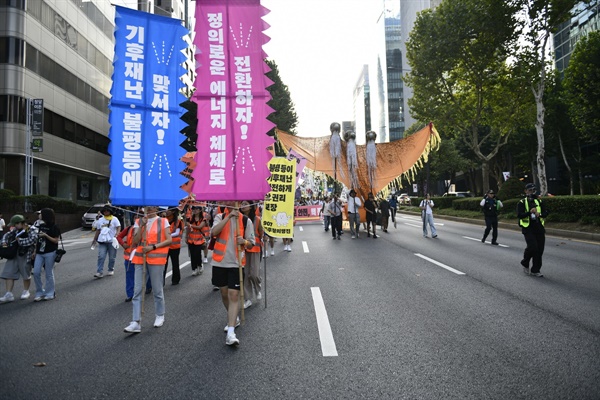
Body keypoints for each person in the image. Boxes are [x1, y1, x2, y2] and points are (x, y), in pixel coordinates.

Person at [211, 202, 255, 346]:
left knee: (233, 295)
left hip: (236, 263)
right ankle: (233, 318)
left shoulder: (245, 220)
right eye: (227, 199)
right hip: (219, 262)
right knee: (224, 294)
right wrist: (229, 216)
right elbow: (214, 232)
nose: (230, 201)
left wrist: (245, 241)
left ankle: (231, 331)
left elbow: (252, 242)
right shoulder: (220, 216)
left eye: (234, 199)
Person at [124, 206, 172, 333]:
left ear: (156, 207)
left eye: (152, 207)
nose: (149, 209)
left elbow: (169, 240)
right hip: (140, 259)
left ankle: (160, 315)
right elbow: (134, 241)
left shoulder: (163, 221)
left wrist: (153, 247)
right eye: (147, 207)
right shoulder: (139, 221)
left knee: (157, 289)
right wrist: (141, 226)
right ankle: (136, 321)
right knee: (137, 290)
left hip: (156, 259)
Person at [0, 215, 36, 303]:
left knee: (25, 273)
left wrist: (19, 240)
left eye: (15, 224)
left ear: (21, 223)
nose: (14, 226)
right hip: (14, 254)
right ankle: (9, 294)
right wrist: (4, 243)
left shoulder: (32, 229)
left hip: (26, 254)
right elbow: (6, 235)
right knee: (9, 272)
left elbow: (32, 240)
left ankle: (26, 291)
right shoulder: (16, 230)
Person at [517, 183, 549, 277]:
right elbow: (519, 215)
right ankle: (525, 262)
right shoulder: (522, 202)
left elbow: (546, 212)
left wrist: (540, 214)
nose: (532, 192)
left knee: (539, 249)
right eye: (530, 190)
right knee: (532, 247)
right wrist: (529, 212)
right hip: (528, 228)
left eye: (533, 190)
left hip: (539, 227)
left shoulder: (539, 201)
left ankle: (536, 269)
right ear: (525, 191)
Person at [32, 208, 61, 301]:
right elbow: (37, 239)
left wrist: (46, 235)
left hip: (50, 252)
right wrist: (34, 251)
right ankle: (39, 292)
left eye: (41, 214)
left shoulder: (54, 227)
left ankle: (50, 293)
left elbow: (56, 240)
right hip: (39, 252)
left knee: (49, 273)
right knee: (36, 272)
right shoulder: (40, 225)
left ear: (46, 215)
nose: (39, 215)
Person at [241, 201, 263, 308]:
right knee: (245, 274)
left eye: (245, 203)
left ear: (251, 206)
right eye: (242, 203)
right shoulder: (239, 219)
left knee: (254, 274)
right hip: (242, 250)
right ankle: (248, 298)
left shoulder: (257, 220)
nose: (243, 205)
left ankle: (257, 289)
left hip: (255, 249)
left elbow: (261, 233)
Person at [91, 206, 121, 278]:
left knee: (112, 257)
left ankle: (110, 269)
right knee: (101, 256)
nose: (106, 212)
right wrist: (94, 239)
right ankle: (99, 272)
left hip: (112, 241)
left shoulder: (114, 219)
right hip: (102, 241)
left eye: (107, 211)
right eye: (104, 211)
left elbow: (118, 227)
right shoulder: (100, 220)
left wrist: (117, 233)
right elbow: (98, 230)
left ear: (110, 211)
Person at [186, 206, 208, 276]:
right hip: (191, 239)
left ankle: (200, 265)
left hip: (199, 239)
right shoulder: (190, 218)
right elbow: (187, 229)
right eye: (193, 209)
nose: (195, 210)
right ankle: (194, 269)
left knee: (197, 254)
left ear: (200, 210)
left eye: (197, 209)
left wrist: (190, 225)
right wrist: (186, 237)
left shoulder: (203, 219)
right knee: (192, 255)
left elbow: (199, 227)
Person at [163, 208, 183, 286]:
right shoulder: (164, 220)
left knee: (175, 263)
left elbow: (177, 233)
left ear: (173, 211)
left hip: (175, 246)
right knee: (164, 263)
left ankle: (176, 279)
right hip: (165, 245)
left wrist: (167, 236)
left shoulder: (178, 222)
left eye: (169, 210)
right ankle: (161, 281)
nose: (167, 212)